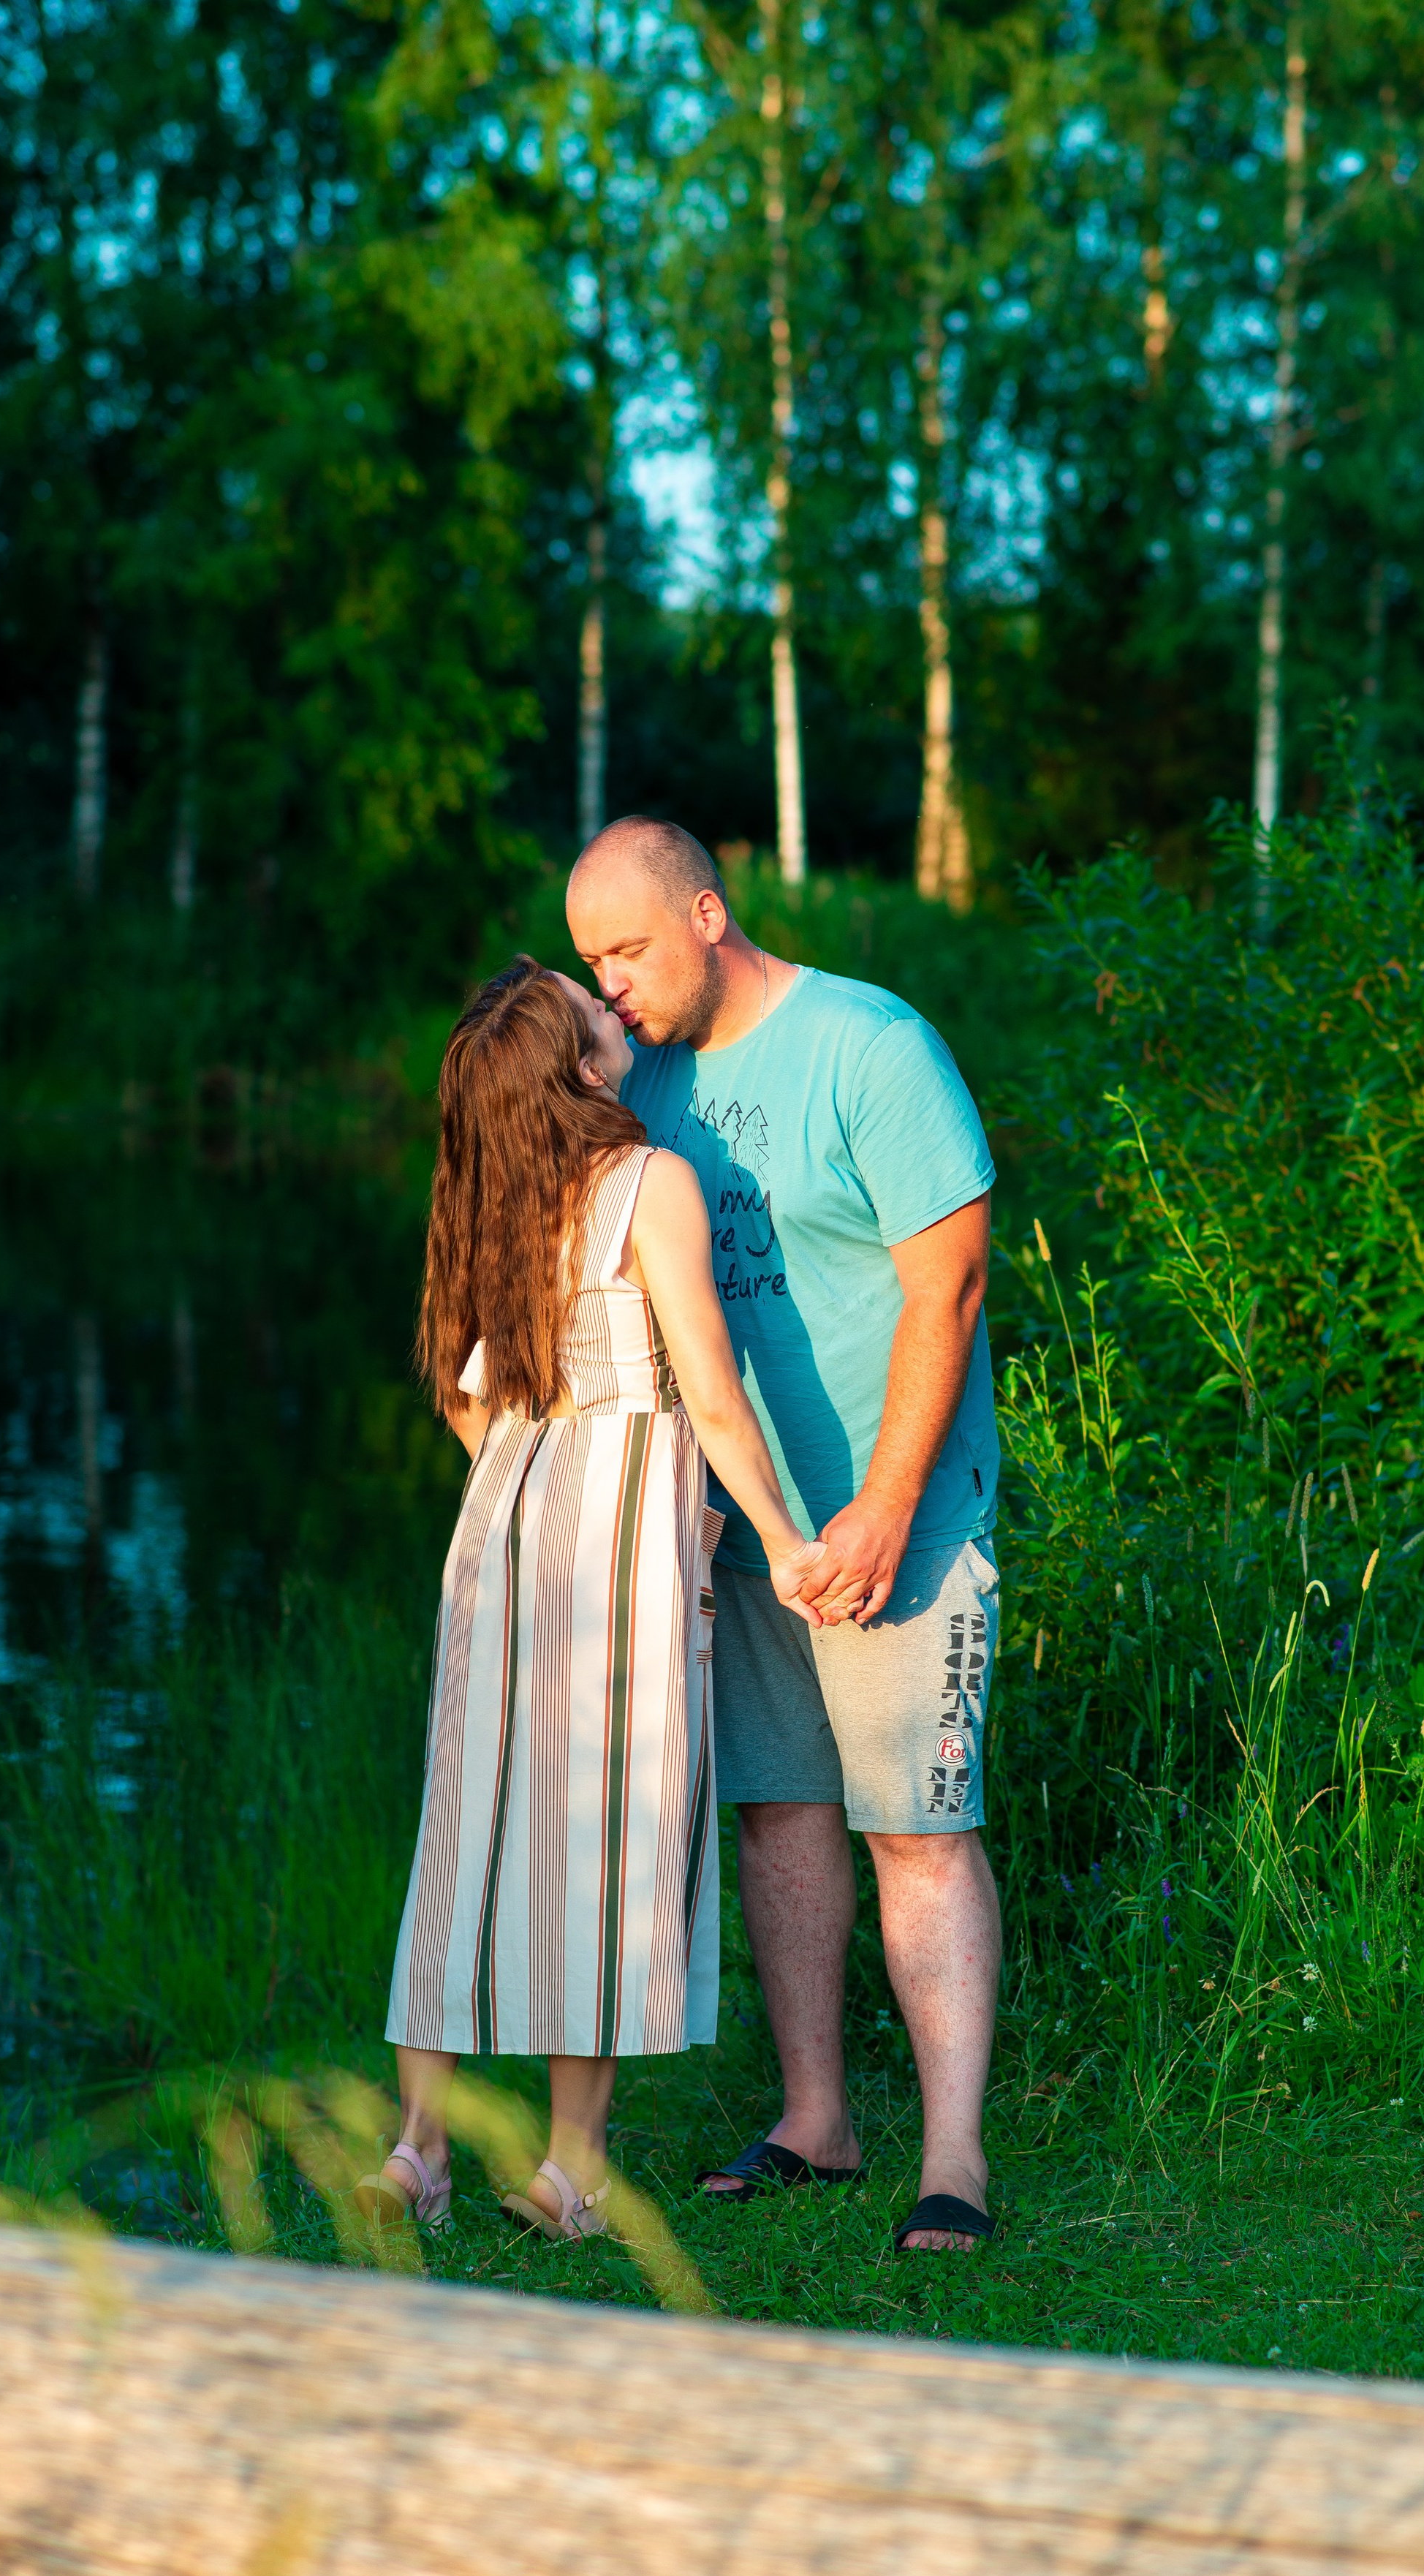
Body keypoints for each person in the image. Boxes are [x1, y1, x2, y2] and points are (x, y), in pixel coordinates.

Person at [566, 817, 1000, 2255]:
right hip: (749, 1543)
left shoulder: (869, 1045)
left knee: (917, 1830)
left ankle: (953, 2163)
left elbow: (946, 1285)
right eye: (589, 962)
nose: (609, 984)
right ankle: (815, 2118)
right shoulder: (646, 1087)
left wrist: (880, 1507)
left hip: (901, 1523)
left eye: (624, 950)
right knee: (779, 1813)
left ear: (704, 913)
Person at [355, 959, 828, 2240]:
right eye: (592, 1014)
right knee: (606, 1835)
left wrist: (531, 1473)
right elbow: (712, 1391)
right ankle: (570, 2170)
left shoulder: (497, 1194)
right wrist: (780, 1540)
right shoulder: (648, 1183)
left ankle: (419, 2149)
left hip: (503, 1521)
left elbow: (461, 1393)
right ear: (578, 1071)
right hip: (624, 1529)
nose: (614, 1017)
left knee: (472, 1821)